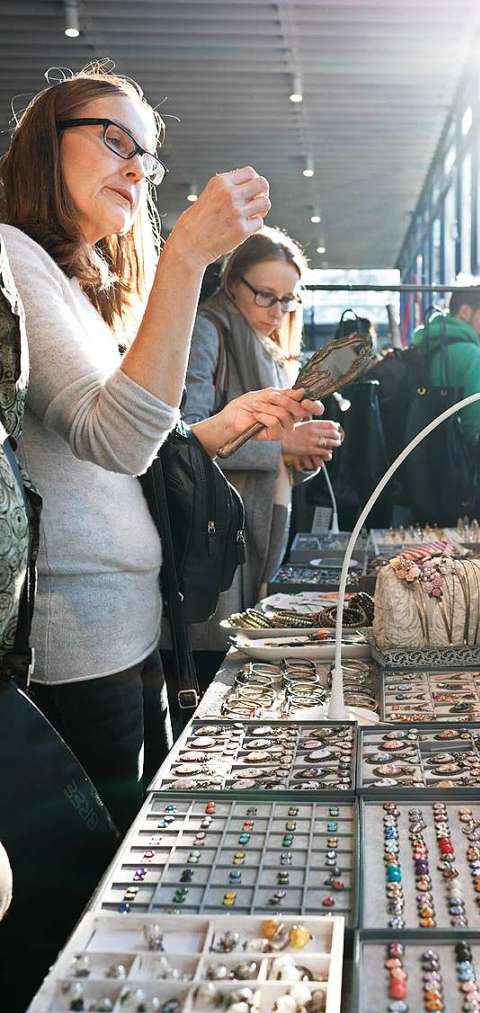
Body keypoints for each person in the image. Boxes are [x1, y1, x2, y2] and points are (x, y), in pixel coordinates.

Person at [0, 65, 322, 831]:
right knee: (82, 883)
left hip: (125, 626)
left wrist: (226, 424)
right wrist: (186, 256)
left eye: (147, 153)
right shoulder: (13, 253)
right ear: (46, 144)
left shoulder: (75, 282)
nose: (138, 166)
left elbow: (128, 448)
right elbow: (115, 438)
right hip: (72, 645)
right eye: (115, 140)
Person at [183, 229, 342, 659]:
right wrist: (283, 445)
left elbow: (279, 450)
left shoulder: (268, 348)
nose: (277, 310)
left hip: (255, 525)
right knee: (218, 657)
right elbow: (186, 432)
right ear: (233, 283)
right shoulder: (206, 332)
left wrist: (303, 451)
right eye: (265, 296)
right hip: (217, 530)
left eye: (288, 299)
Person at [411, 285, 480, 446]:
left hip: (413, 447)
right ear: (465, 312)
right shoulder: (472, 355)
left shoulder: (425, 342)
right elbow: (472, 424)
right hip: (449, 453)